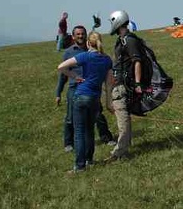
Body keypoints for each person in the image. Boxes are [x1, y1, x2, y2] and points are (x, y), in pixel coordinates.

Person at [57, 32, 113, 174]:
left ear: (88, 43)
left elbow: (61, 67)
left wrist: (75, 76)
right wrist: (108, 103)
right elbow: (108, 84)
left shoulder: (85, 56)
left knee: (79, 132)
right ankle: (89, 159)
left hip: (81, 96)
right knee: (89, 131)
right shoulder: (107, 60)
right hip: (95, 98)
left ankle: (80, 166)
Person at [107, 10, 147, 162]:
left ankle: (119, 152)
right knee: (122, 117)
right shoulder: (122, 39)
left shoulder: (128, 41)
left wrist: (137, 83)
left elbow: (137, 61)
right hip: (119, 84)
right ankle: (124, 147)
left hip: (123, 86)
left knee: (122, 118)